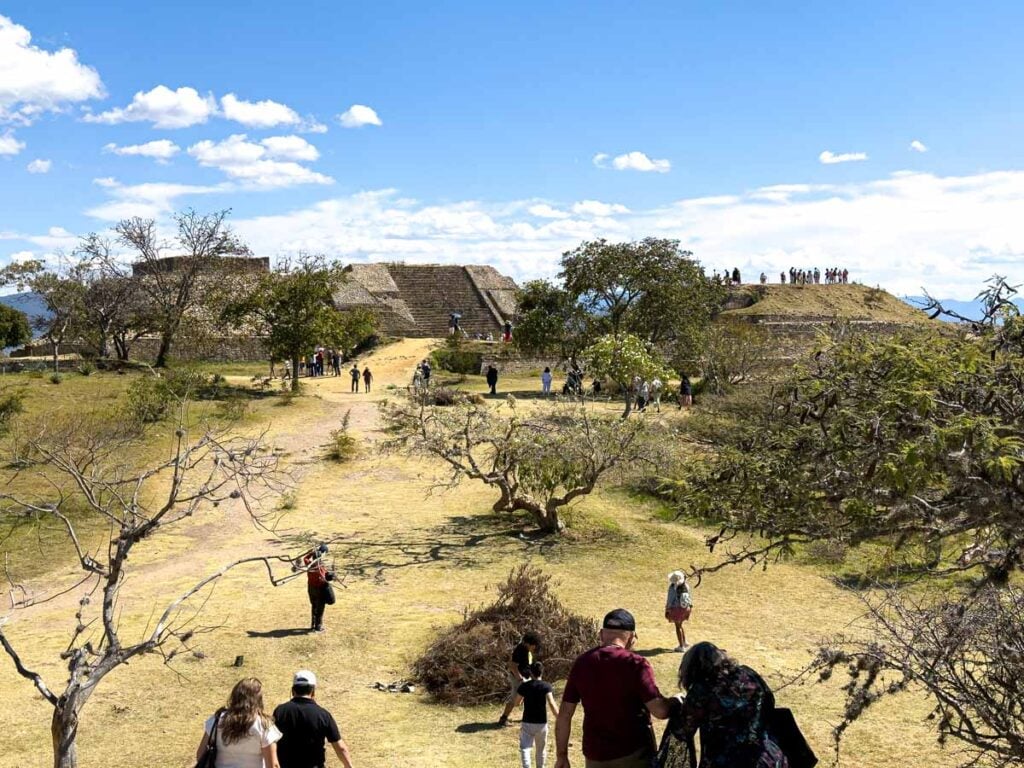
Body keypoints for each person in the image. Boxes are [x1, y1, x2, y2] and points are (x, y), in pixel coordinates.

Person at [555, 609, 672, 768]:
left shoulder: (582, 663)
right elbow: (659, 710)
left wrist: (562, 755)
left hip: (595, 756)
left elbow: (564, 714)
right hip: (633, 754)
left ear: (601, 634)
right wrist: (677, 702)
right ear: (632, 637)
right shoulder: (635, 664)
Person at [662, 643, 788, 768]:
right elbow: (769, 701)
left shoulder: (701, 690)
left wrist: (677, 705)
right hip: (767, 756)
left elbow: (683, 730)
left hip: (727, 761)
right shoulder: (748, 674)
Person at [274, 671, 355, 768]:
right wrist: (349, 766)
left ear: (292, 691)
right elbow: (340, 748)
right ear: (313, 691)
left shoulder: (280, 712)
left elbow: (270, 742)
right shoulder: (322, 715)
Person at [196, 678, 282, 768]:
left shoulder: (217, 720)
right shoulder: (263, 725)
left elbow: (200, 754)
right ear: (259, 699)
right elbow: (273, 765)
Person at [514, 662, 559, 768]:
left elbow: (516, 703)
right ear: (542, 672)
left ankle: (527, 766)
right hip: (541, 723)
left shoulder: (524, 686)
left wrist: (522, 700)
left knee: (525, 747)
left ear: (531, 673)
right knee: (541, 749)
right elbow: (552, 703)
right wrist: (559, 717)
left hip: (527, 722)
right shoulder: (546, 686)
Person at [499, 630, 541, 725]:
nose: (535, 647)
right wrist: (520, 679)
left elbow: (528, 665)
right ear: (528, 643)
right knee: (515, 699)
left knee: (529, 697)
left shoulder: (528, 651)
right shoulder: (520, 650)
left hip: (525, 677)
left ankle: (528, 717)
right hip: (517, 677)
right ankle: (503, 719)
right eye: (534, 645)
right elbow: (512, 665)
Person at [300, 545, 333, 633]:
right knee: (320, 608)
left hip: (311, 588)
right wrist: (330, 576)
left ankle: (313, 624)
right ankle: (318, 626)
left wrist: (311, 552)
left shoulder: (309, 564)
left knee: (314, 606)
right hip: (319, 590)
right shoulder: (320, 567)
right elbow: (323, 578)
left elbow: (305, 558)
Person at [664, 571, 693, 652]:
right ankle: (684, 642)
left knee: (677, 627)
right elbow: (690, 598)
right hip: (686, 608)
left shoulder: (672, 587)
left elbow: (670, 600)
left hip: (677, 609)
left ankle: (681, 646)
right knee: (680, 625)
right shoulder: (686, 586)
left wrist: (667, 610)